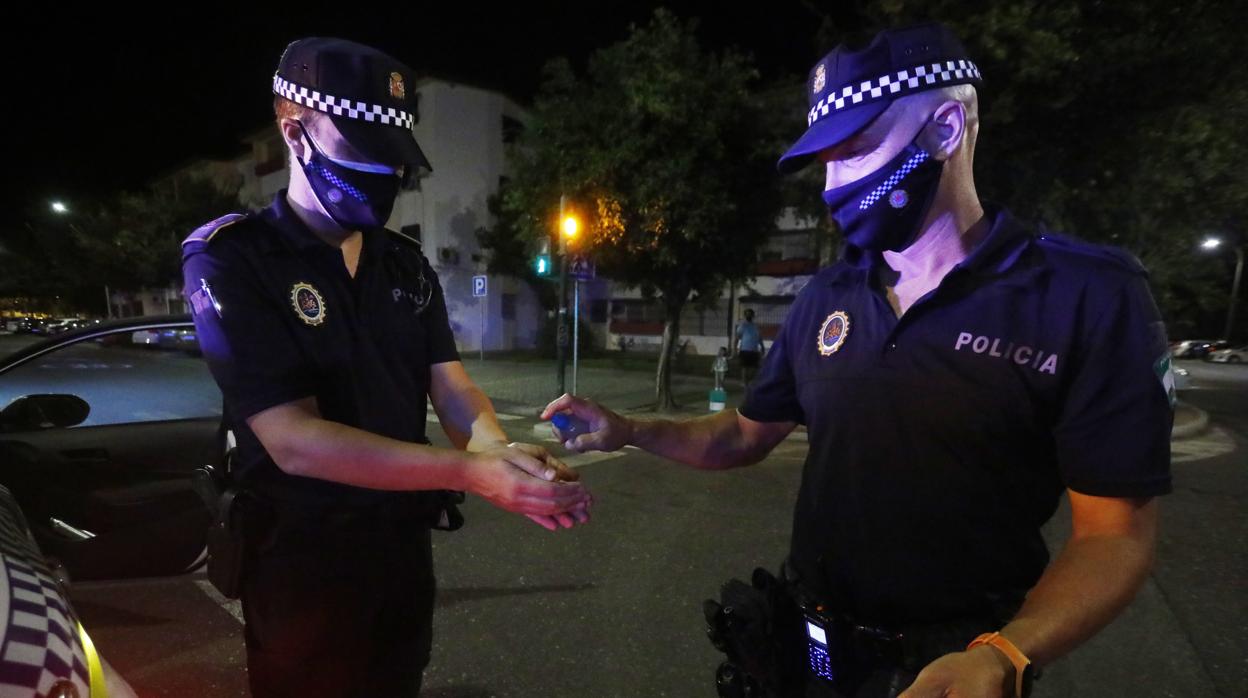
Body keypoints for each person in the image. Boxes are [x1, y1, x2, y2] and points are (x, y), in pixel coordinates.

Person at [543, 22, 1172, 698]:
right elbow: (743, 434)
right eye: (827, 162)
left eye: (859, 149)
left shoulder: (1084, 295)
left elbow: (1114, 536)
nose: (834, 186)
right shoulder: (827, 296)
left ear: (947, 128)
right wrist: (630, 430)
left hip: (957, 666)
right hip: (811, 651)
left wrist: (1004, 656)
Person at [182, 37, 591, 698]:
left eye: (394, 156)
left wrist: (502, 453)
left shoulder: (403, 264)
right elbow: (293, 440)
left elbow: (452, 388)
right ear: (296, 133)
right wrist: (471, 472)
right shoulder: (232, 258)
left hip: (400, 555)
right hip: (301, 569)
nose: (387, 175)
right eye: (363, 150)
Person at [735, 308, 765, 385]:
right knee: (744, 367)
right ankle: (744, 383)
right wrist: (735, 349)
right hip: (745, 349)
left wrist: (762, 347)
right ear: (745, 315)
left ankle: (748, 381)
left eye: (750, 314)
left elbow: (759, 338)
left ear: (753, 316)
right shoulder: (742, 326)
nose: (749, 315)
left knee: (754, 368)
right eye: (747, 314)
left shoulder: (756, 327)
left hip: (754, 350)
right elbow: (737, 338)